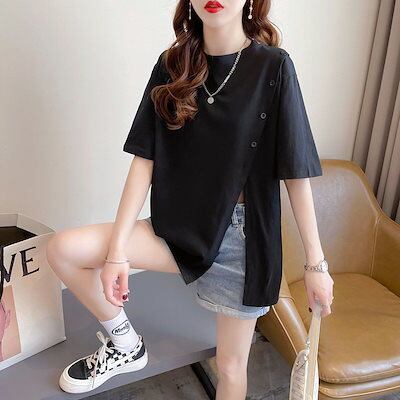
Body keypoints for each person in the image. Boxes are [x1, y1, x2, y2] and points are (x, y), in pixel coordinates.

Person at [46, 0, 334, 397]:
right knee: (62, 249)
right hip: (176, 229)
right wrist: (117, 252)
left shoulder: (273, 67)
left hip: (240, 244)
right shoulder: (172, 65)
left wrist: (316, 264)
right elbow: (144, 159)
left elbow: (295, 172)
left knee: (230, 368)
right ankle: (125, 345)